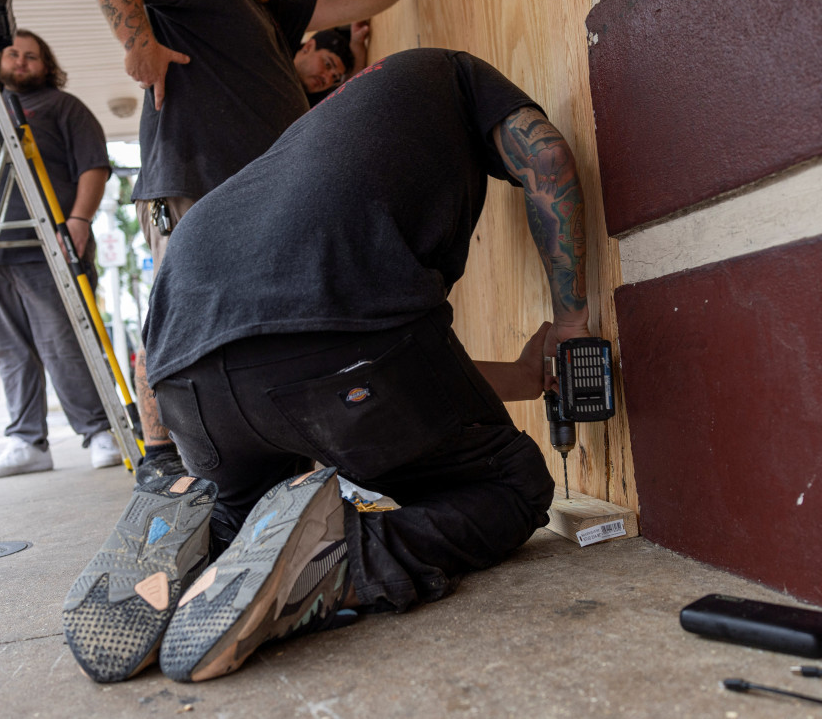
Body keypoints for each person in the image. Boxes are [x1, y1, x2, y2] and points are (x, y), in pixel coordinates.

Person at [61, 48, 590, 683]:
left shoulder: (302, 148)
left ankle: (194, 521)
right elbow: (548, 158)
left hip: (188, 379)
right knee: (511, 487)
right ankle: (345, 559)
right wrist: (568, 323)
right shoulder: (453, 73)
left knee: (247, 511)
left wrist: (160, 454)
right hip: (341, 363)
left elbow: (377, 362)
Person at [80, 0, 421, 460]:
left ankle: (263, 460)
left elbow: (338, 2)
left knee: (262, 332)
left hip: (259, 201)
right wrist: (137, 40)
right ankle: (162, 461)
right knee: (178, 318)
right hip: (194, 183)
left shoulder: (270, 13)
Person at [0, 30, 122, 480]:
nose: (21, 62)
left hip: (43, 244)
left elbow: (93, 166)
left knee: (63, 342)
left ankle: (99, 431)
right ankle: (26, 443)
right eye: (13, 54)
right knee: (9, 350)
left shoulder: (63, 107)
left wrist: (78, 220)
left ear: (46, 65)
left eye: (31, 56)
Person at [297, 20, 371, 103]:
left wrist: (357, 43)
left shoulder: (312, 103)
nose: (327, 79)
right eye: (327, 64)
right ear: (308, 47)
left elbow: (349, 92)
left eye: (334, 77)